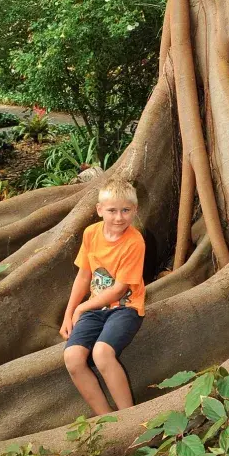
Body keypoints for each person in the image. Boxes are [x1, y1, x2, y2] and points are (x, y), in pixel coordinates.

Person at [60, 177, 144, 414]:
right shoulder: (91, 234)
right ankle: (105, 418)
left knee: (101, 353)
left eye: (126, 211)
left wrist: (81, 309)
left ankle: (128, 416)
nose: (119, 217)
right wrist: (69, 314)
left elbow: (118, 290)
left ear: (135, 210)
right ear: (99, 210)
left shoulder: (135, 241)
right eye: (112, 211)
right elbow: (84, 277)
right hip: (95, 308)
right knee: (73, 358)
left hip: (125, 308)